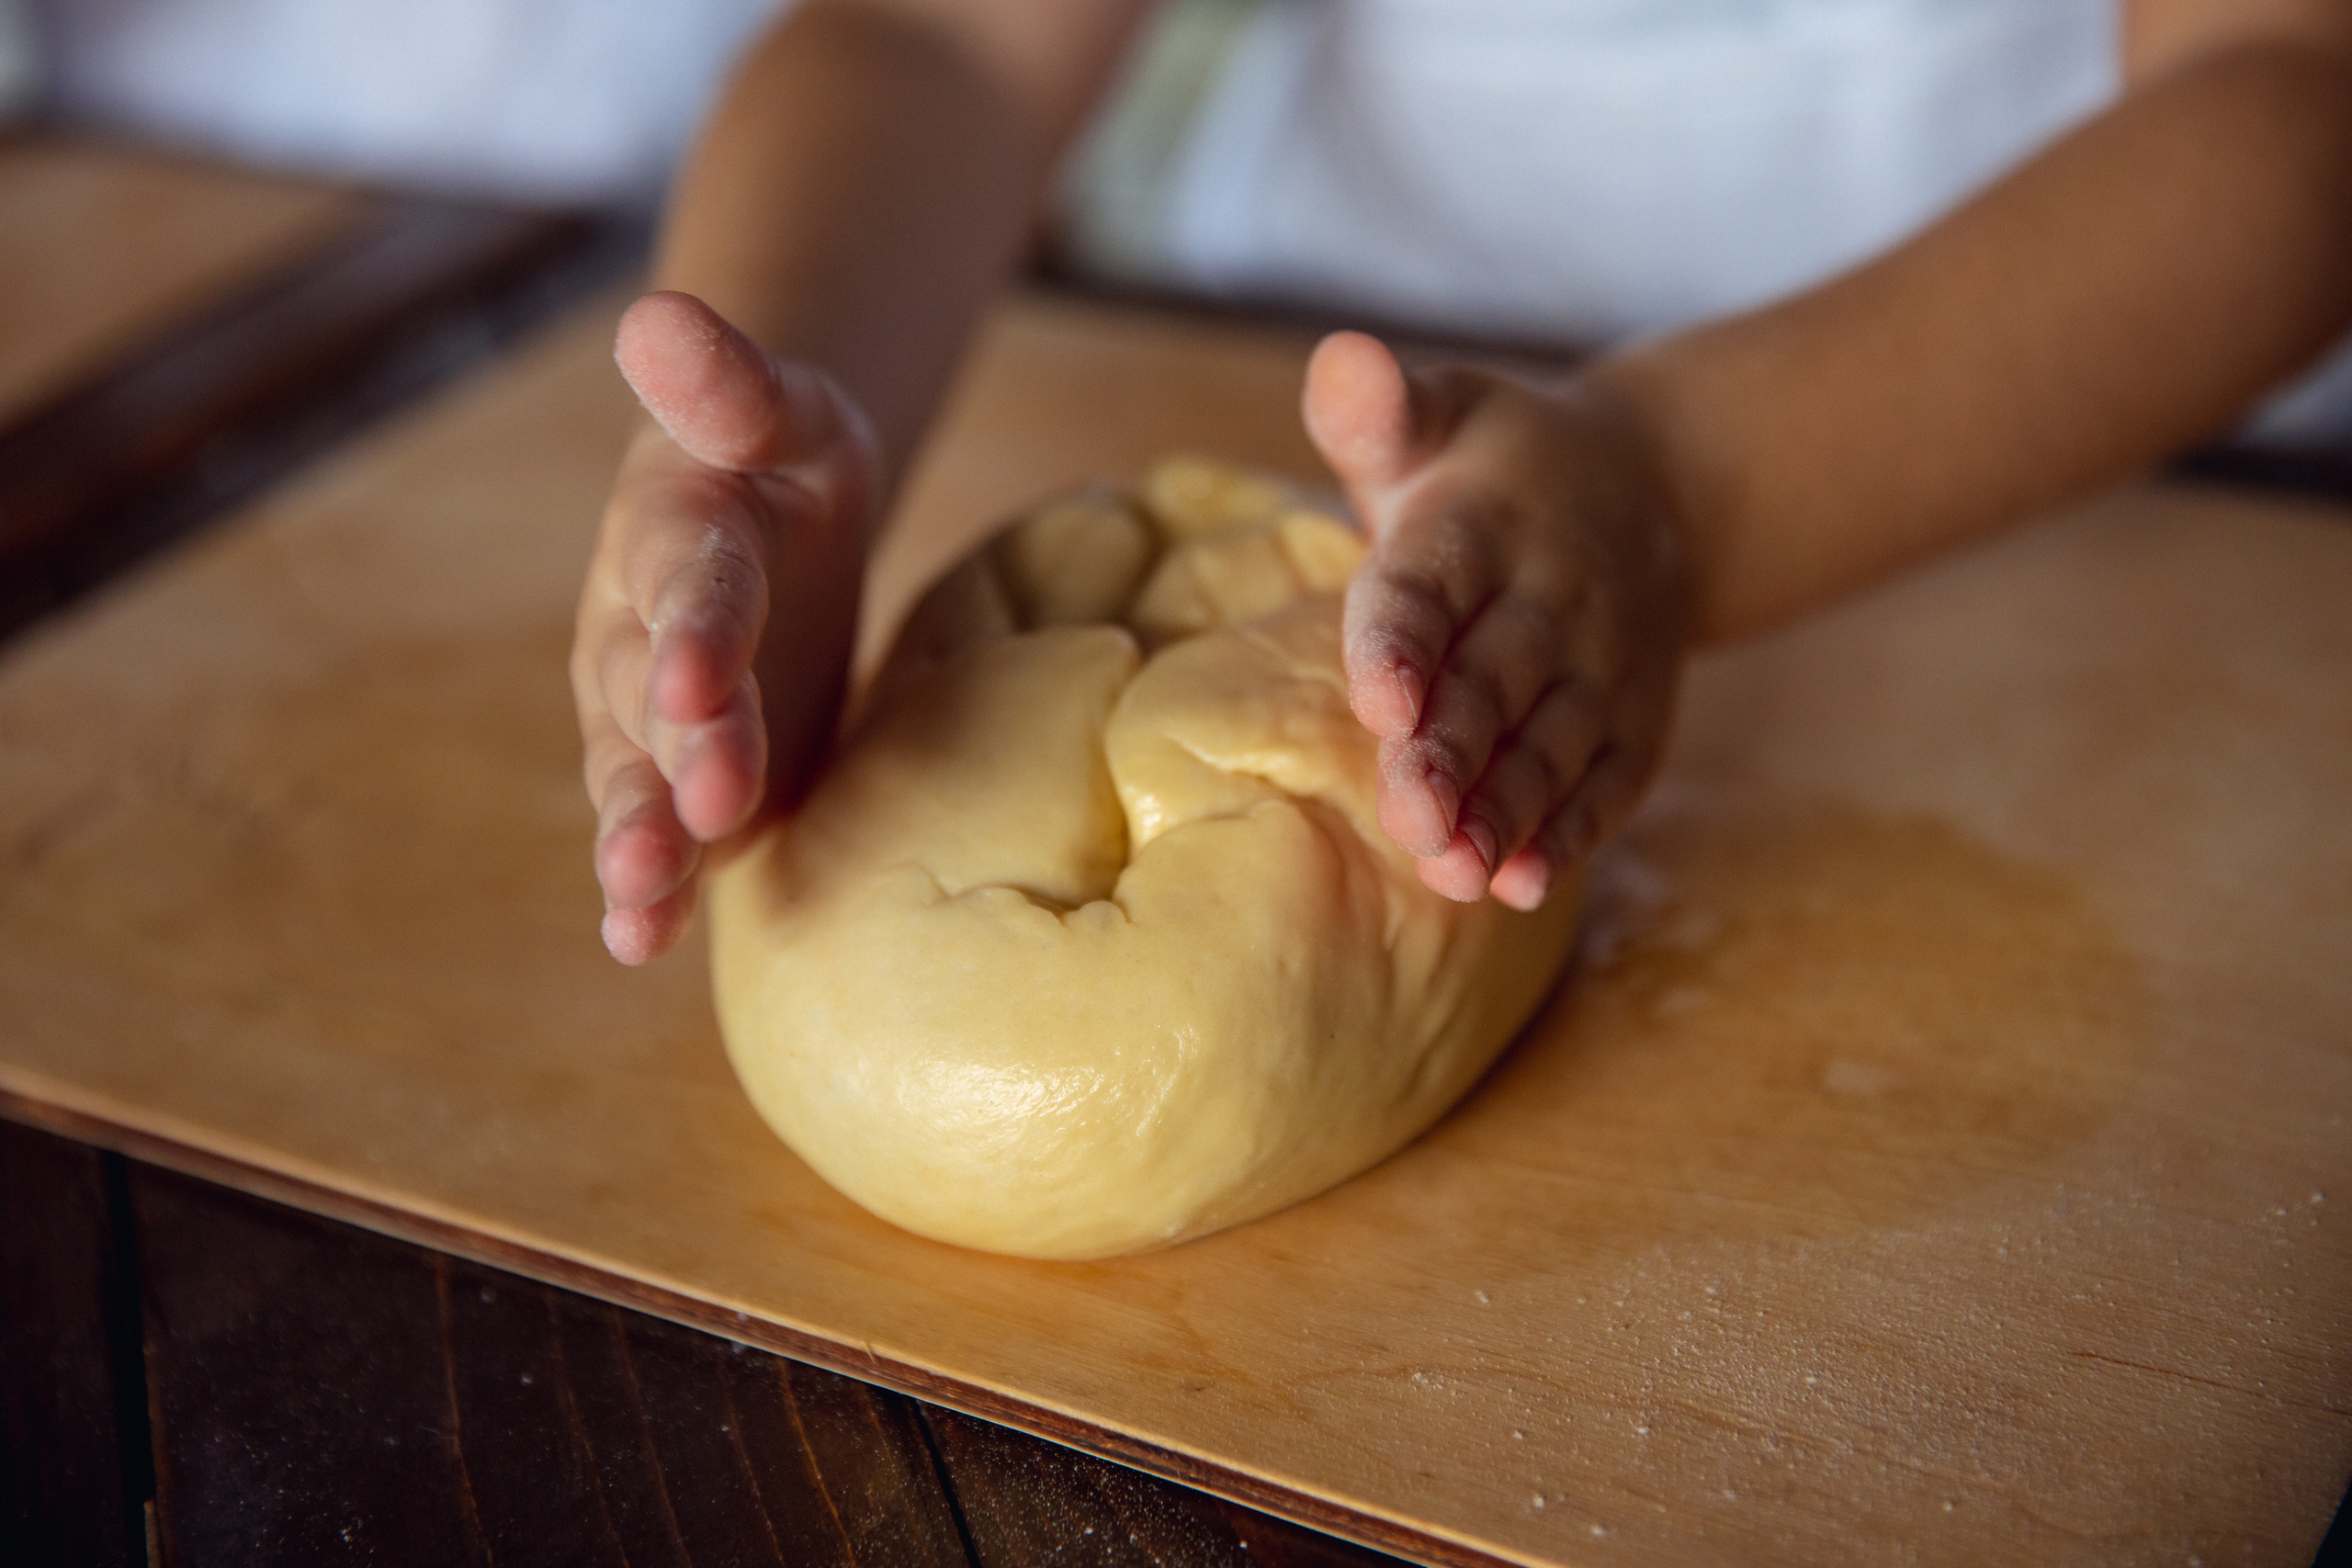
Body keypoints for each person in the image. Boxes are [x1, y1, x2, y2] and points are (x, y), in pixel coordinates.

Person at [571, 0, 2352, 964]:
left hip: (2089, 454)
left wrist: (1682, 493)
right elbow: (935, 40)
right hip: (1307, 378)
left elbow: (2287, 105)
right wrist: (780, 426)